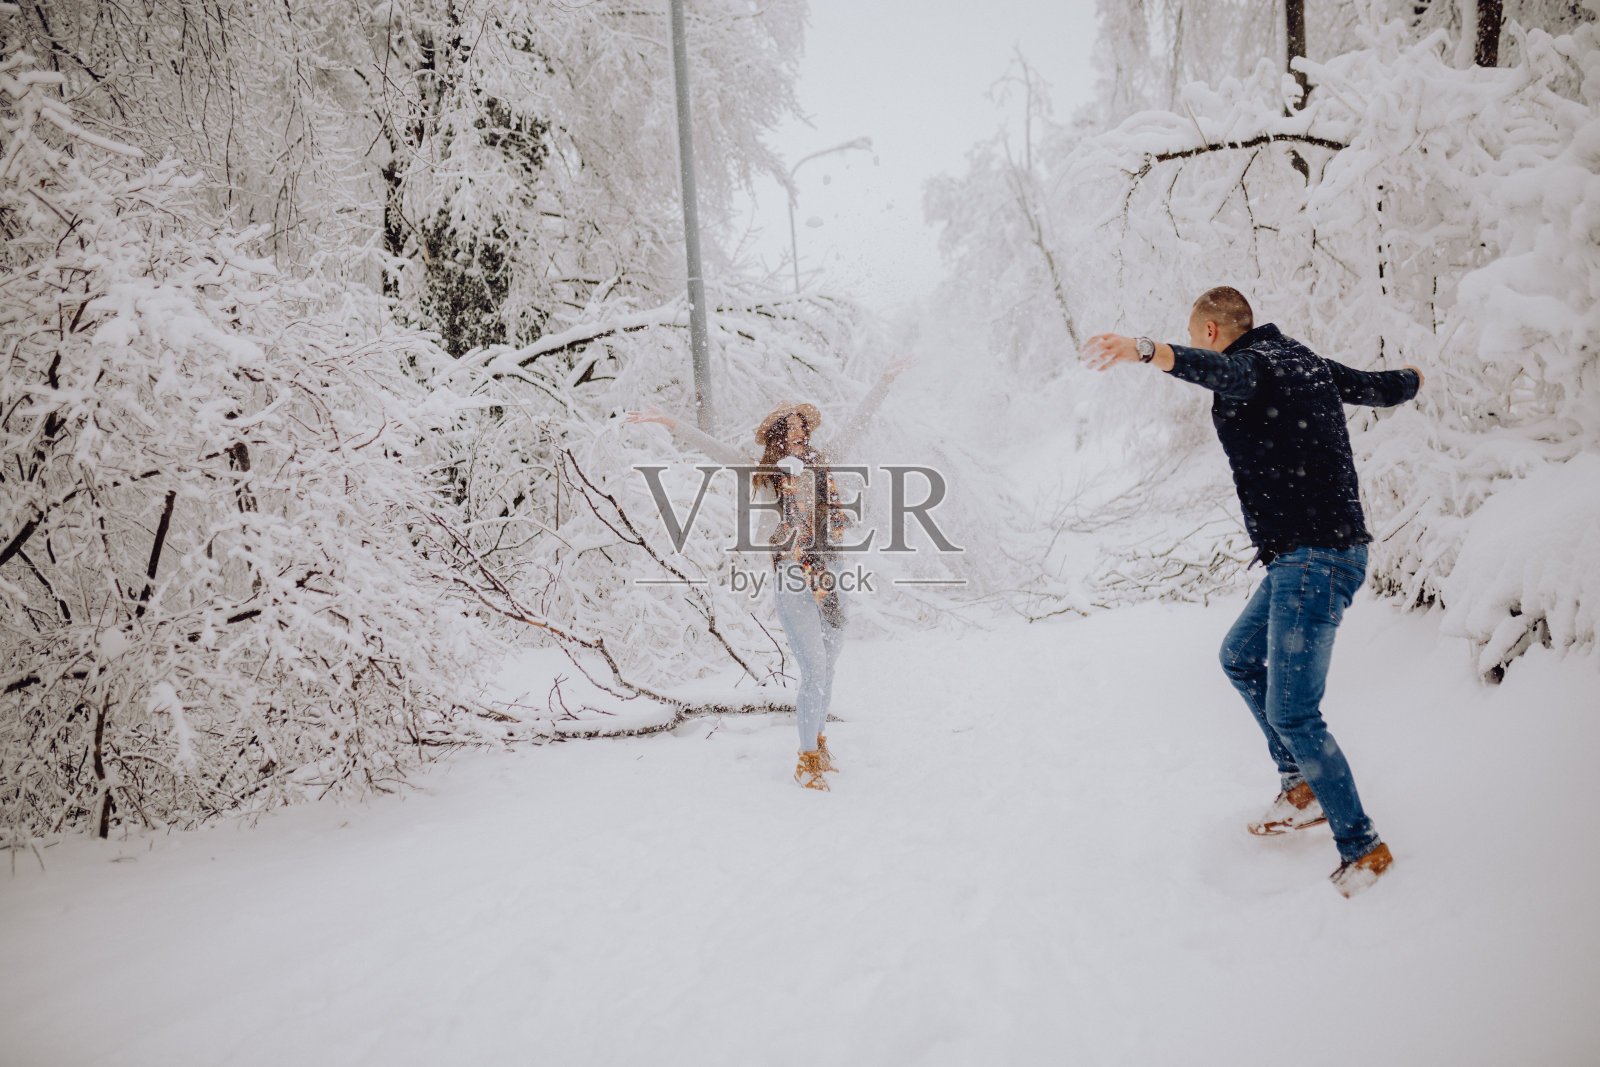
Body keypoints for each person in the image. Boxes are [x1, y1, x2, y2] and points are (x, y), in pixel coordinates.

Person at [1081, 287, 1422, 897]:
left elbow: (1221, 372)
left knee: (1294, 712)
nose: (1199, 345)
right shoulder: (1306, 363)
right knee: (1239, 656)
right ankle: (1300, 786)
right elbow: (1377, 387)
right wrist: (1414, 378)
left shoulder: (1253, 367)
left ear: (1212, 332)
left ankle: (1363, 849)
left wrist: (1145, 350)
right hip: (1314, 556)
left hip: (1313, 559)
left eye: (1197, 335)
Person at [627, 359, 907, 790]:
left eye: (801, 425)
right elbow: (715, 449)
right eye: (789, 426)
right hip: (793, 576)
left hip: (832, 573)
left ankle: (819, 744)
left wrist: (884, 380)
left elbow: (859, 423)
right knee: (813, 670)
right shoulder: (762, 474)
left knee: (829, 668)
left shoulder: (824, 462)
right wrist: (670, 422)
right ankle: (806, 761)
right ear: (778, 435)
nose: (798, 431)